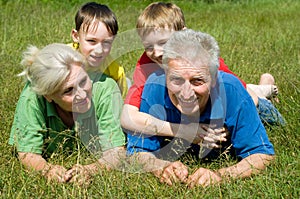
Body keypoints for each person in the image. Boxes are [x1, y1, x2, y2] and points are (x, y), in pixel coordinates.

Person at [126, 29, 277, 187]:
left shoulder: (230, 89)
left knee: (265, 108)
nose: (186, 93)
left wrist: (221, 175)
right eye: (176, 80)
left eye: (197, 81)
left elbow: (262, 154)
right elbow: (137, 151)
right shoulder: (154, 87)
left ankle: (265, 85)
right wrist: (160, 167)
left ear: (213, 79)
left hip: (256, 106)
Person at [121, 2, 283, 145]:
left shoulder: (201, 60)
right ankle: (263, 86)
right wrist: (182, 131)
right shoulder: (146, 67)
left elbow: (246, 100)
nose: (156, 52)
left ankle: (265, 87)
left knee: (268, 113)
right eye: (148, 46)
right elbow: (128, 118)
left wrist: (224, 128)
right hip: (187, 110)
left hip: (246, 99)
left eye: (164, 42)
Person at [9, 43, 126, 185]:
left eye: (83, 81)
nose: (82, 94)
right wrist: (47, 170)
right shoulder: (31, 98)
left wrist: (90, 170)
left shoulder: (106, 89)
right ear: (48, 95)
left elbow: (116, 152)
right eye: (68, 90)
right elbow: (27, 153)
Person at [69, 2, 128, 98]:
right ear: (76, 36)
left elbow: (121, 102)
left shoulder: (116, 71)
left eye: (106, 42)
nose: (99, 50)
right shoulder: (62, 58)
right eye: (92, 41)